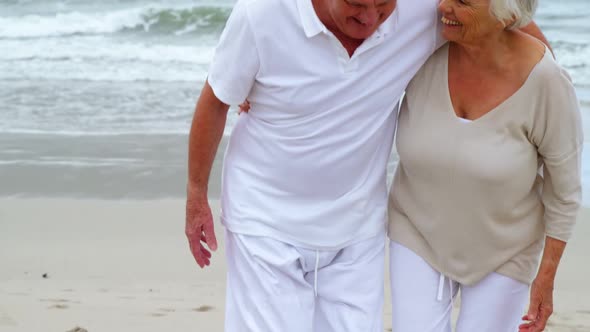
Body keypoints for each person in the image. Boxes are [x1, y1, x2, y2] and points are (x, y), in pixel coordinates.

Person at [185, 0, 548, 331]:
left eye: (383, 7)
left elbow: (506, 22)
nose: (370, 18)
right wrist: (196, 195)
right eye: (355, 5)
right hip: (264, 218)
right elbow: (216, 101)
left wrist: (541, 95)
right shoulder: (262, 14)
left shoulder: (422, 10)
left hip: (358, 225)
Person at [387, 0, 583, 331]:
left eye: (462, 1)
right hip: (416, 231)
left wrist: (545, 281)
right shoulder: (421, 50)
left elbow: (564, 194)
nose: (443, 6)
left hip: (505, 249)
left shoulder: (546, 82)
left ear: (505, 15)